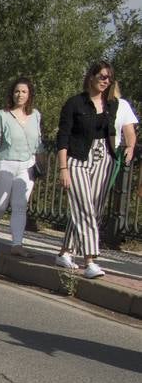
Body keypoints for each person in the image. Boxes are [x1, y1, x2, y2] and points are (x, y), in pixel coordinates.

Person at [55, 61, 120, 278]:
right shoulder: (75, 103)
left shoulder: (112, 105)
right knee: (85, 208)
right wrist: (63, 167)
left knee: (93, 208)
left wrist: (126, 150)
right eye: (102, 76)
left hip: (104, 159)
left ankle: (64, 252)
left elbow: (118, 131)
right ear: (91, 76)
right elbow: (62, 137)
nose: (105, 81)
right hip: (77, 158)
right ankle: (90, 261)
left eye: (109, 78)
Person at [0, 77, 45, 256]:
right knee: (1, 205)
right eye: (17, 91)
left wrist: (42, 163)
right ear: (12, 94)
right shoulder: (2, 115)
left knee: (20, 204)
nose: (20, 95)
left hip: (27, 165)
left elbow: (38, 142)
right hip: (5, 163)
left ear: (29, 94)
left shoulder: (35, 115)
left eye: (24, 91)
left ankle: (17, 244)